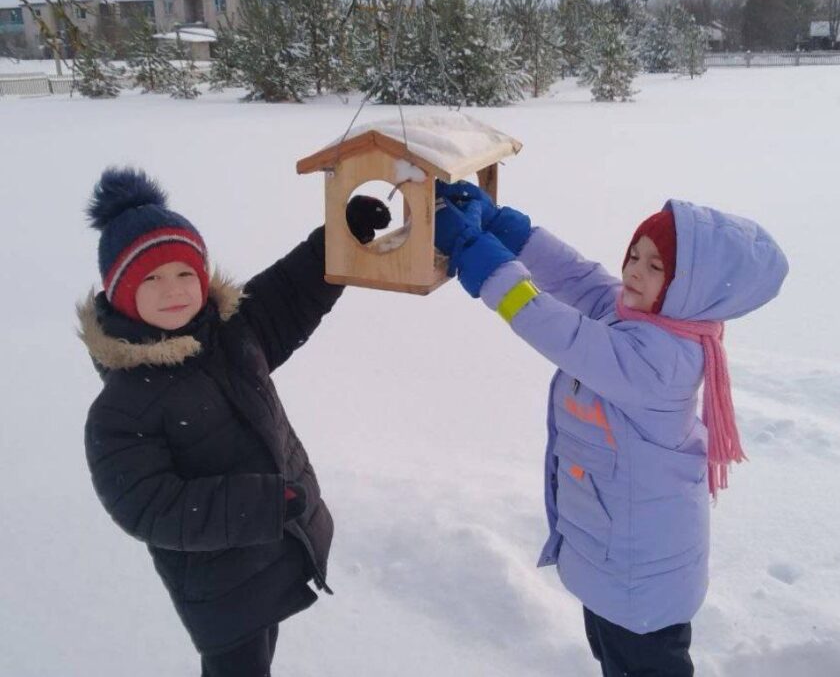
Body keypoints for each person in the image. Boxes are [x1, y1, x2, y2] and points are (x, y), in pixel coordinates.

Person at [433, 180, 788, 677]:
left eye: (656, 266)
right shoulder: (642, 315)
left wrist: (477, 254)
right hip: (617, 556)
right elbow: (577, 278)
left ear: (690, 291)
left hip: (637, 575)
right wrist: (501, 227)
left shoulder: (659, 361)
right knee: (615, 660)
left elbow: (552, 325)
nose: (635, 271)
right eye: (635, 255)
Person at [78, 167, 390, 677]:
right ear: (120, 292)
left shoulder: (232, 331)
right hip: (218, 584)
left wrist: (343, 236)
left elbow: (293, 289)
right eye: (151, 279)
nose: (173, 291)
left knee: (265, 645)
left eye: (185, 273)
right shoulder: (121, 408)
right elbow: (149, 506)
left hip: (274, 547)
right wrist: (262, 504)